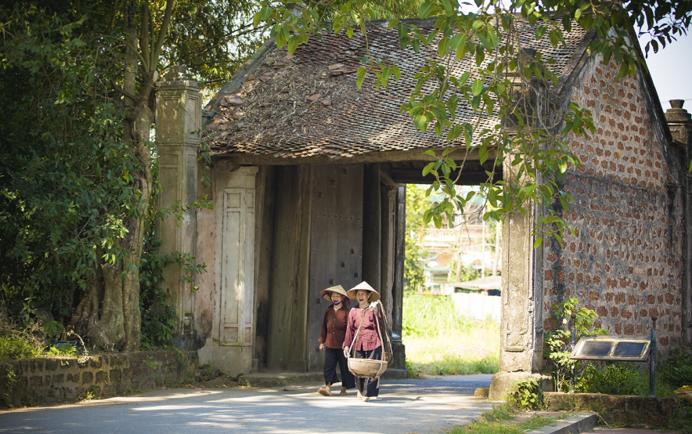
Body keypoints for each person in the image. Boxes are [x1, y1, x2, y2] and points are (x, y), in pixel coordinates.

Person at [343, 281, 383, 402]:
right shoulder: (353, 311)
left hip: (373, 341)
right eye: (358, 294)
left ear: (368, 295)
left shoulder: (373, 309)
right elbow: (349, 329)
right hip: (357, 341)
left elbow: (379, 326)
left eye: (363, 294)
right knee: (359, 368)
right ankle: (360, 390)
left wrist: (376, 312)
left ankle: (367, 394)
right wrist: (346, 346)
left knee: (371, 369)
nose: (360, 296)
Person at [317, 285, 355, 396]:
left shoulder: (346, 312)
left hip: (343, 345)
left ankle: (344, 388)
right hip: (329, 342)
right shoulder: (328, 310)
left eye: (337, 296)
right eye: (333, 296)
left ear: (342, 297)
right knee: (328, 365)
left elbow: (350, 328)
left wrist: (347, 342)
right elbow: (324, 326)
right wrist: (321, 342)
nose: (335, 298)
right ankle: (327, 388)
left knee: (344, 366)